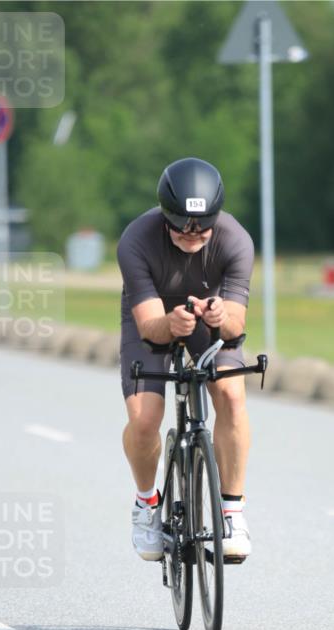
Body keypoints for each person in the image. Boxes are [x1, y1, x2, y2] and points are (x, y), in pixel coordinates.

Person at [117, 157, 254, 563]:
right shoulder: (135, 241)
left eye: (202, 226)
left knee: (230, 395)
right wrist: (170, 324)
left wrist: (219, 316)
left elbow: (236, 323)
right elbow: (148, 327)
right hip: (155, 319)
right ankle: (146, 504)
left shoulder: (236, 240)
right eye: (182, 225)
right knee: (144, 419)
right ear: (165, 216)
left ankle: (232, 512)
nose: (192, 234)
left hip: (208, 318)